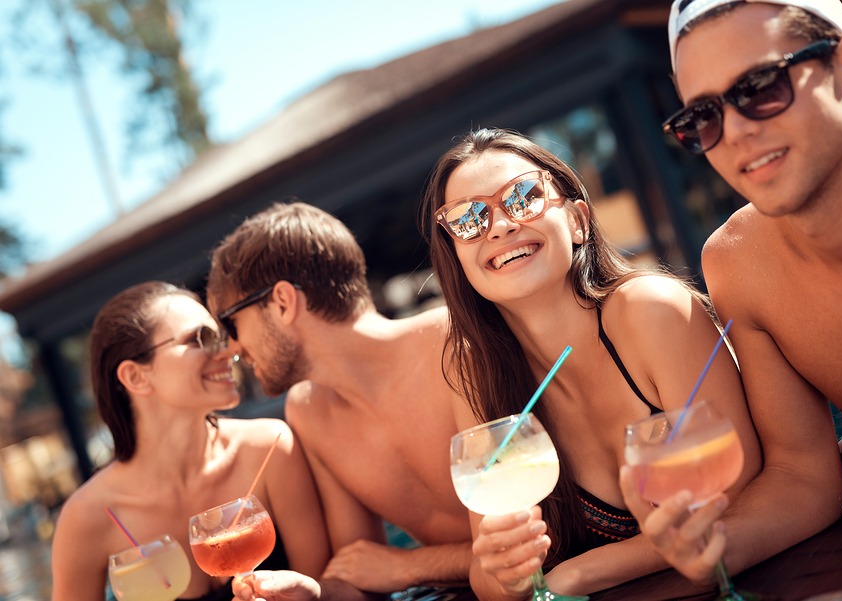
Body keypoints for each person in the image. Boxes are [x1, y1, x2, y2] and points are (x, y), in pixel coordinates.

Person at [619, 0, 842, 586]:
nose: (739, 132)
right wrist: (712, 545)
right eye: (705, 116)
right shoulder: (736, 263)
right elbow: (806, 476)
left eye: (761, 86)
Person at [420, 127, 762, 600]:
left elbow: (742, 500)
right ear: (457, 258)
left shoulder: (652, 311)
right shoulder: (474, 373)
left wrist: (581, 573)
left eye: (522, 196)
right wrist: (509, 572)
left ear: (578, 220)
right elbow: (492, 576)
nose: (499, 226)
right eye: (469, 218)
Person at [204, 202, 473, 601]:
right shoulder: (309, 409)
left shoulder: (451, 346)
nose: (233, 350)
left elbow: (541, 537)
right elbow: (360, 573)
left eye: (230, 323)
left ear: (282, 302)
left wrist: (409, 566)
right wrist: (308, 592)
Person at [50, 281, 329, 601]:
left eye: (220, 337)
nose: (230, 350)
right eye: (200, 339)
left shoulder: (269, 448)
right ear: (136, 377)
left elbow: (325, 585)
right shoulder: (86, 518)